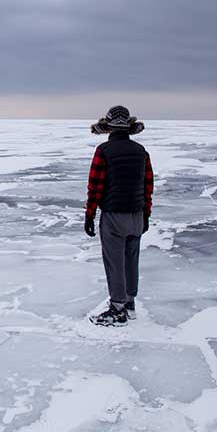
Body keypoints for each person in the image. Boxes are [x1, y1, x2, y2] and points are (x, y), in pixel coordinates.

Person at [83, 105, 154, 326]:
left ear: (109, 127)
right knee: (131, 260)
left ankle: (117, 308)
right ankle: (130, 303)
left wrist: (89, 214)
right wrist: (146, 214)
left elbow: (95, 186)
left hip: (114, 215)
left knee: (114, 262)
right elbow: (148, 185)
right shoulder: (141, 151)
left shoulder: (103, 151)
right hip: (136, 214)